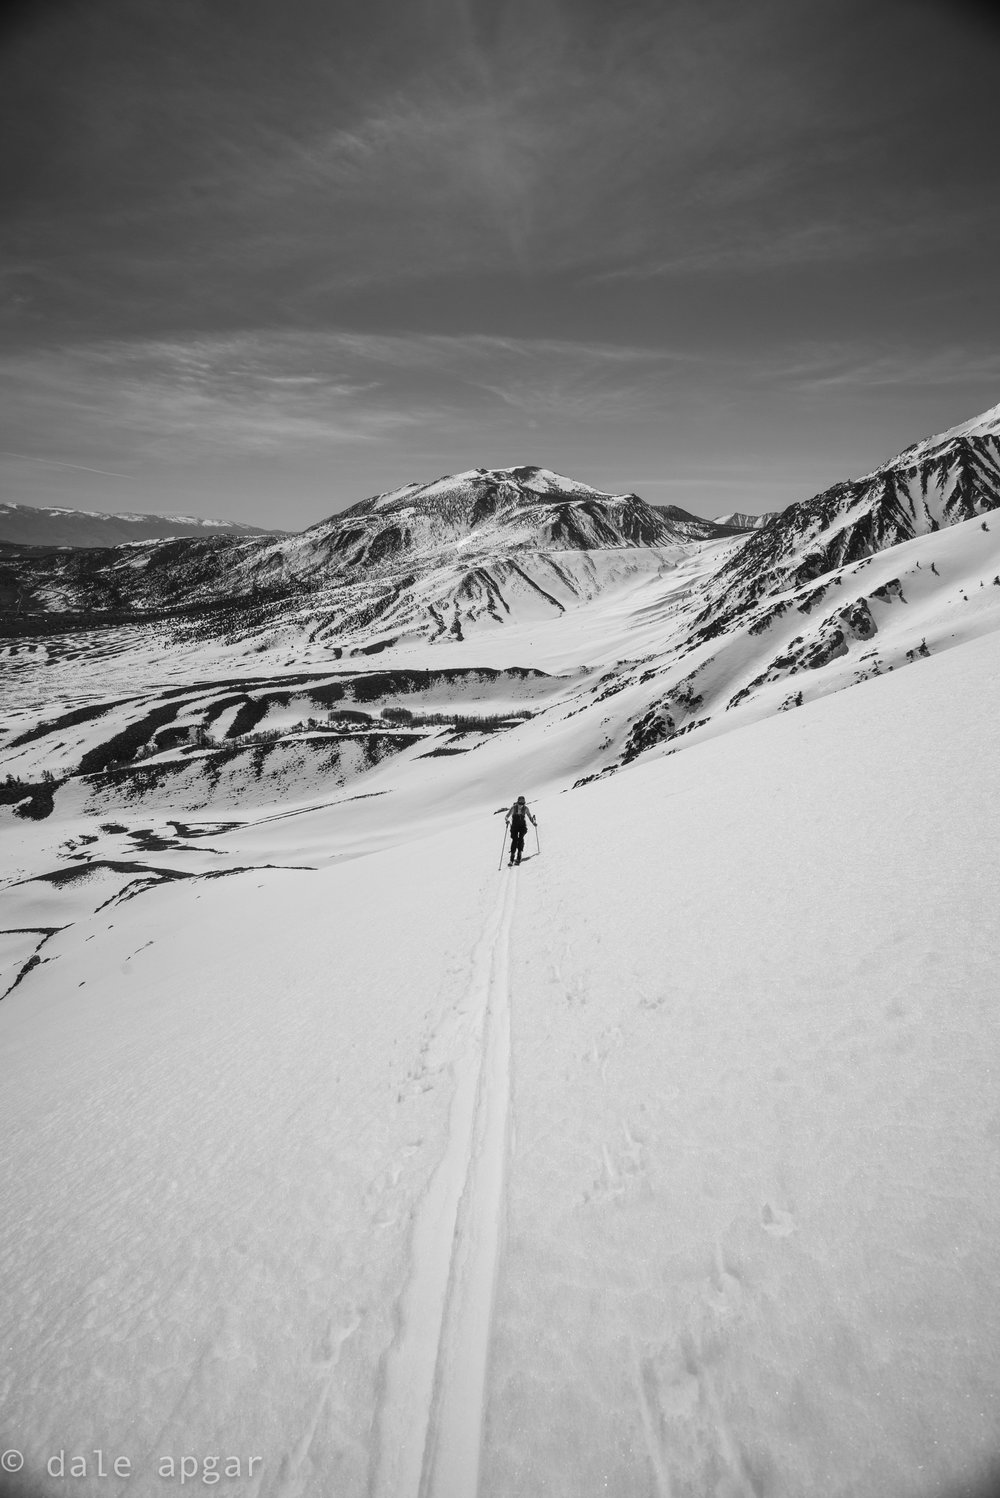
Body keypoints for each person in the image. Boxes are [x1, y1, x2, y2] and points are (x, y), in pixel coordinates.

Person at [504, 795, 536, 865]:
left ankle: (519, 856)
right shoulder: (513, 808)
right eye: (520, 803)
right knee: (515, 840)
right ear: (517, 802)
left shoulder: (526, 808)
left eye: (523, 803)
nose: (521, 805)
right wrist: (507, 820)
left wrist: (534, 823)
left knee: (521, 839)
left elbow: (530, 817)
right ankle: (512, 858)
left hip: (522, 826)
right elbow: (507, 816)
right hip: (514, 826)